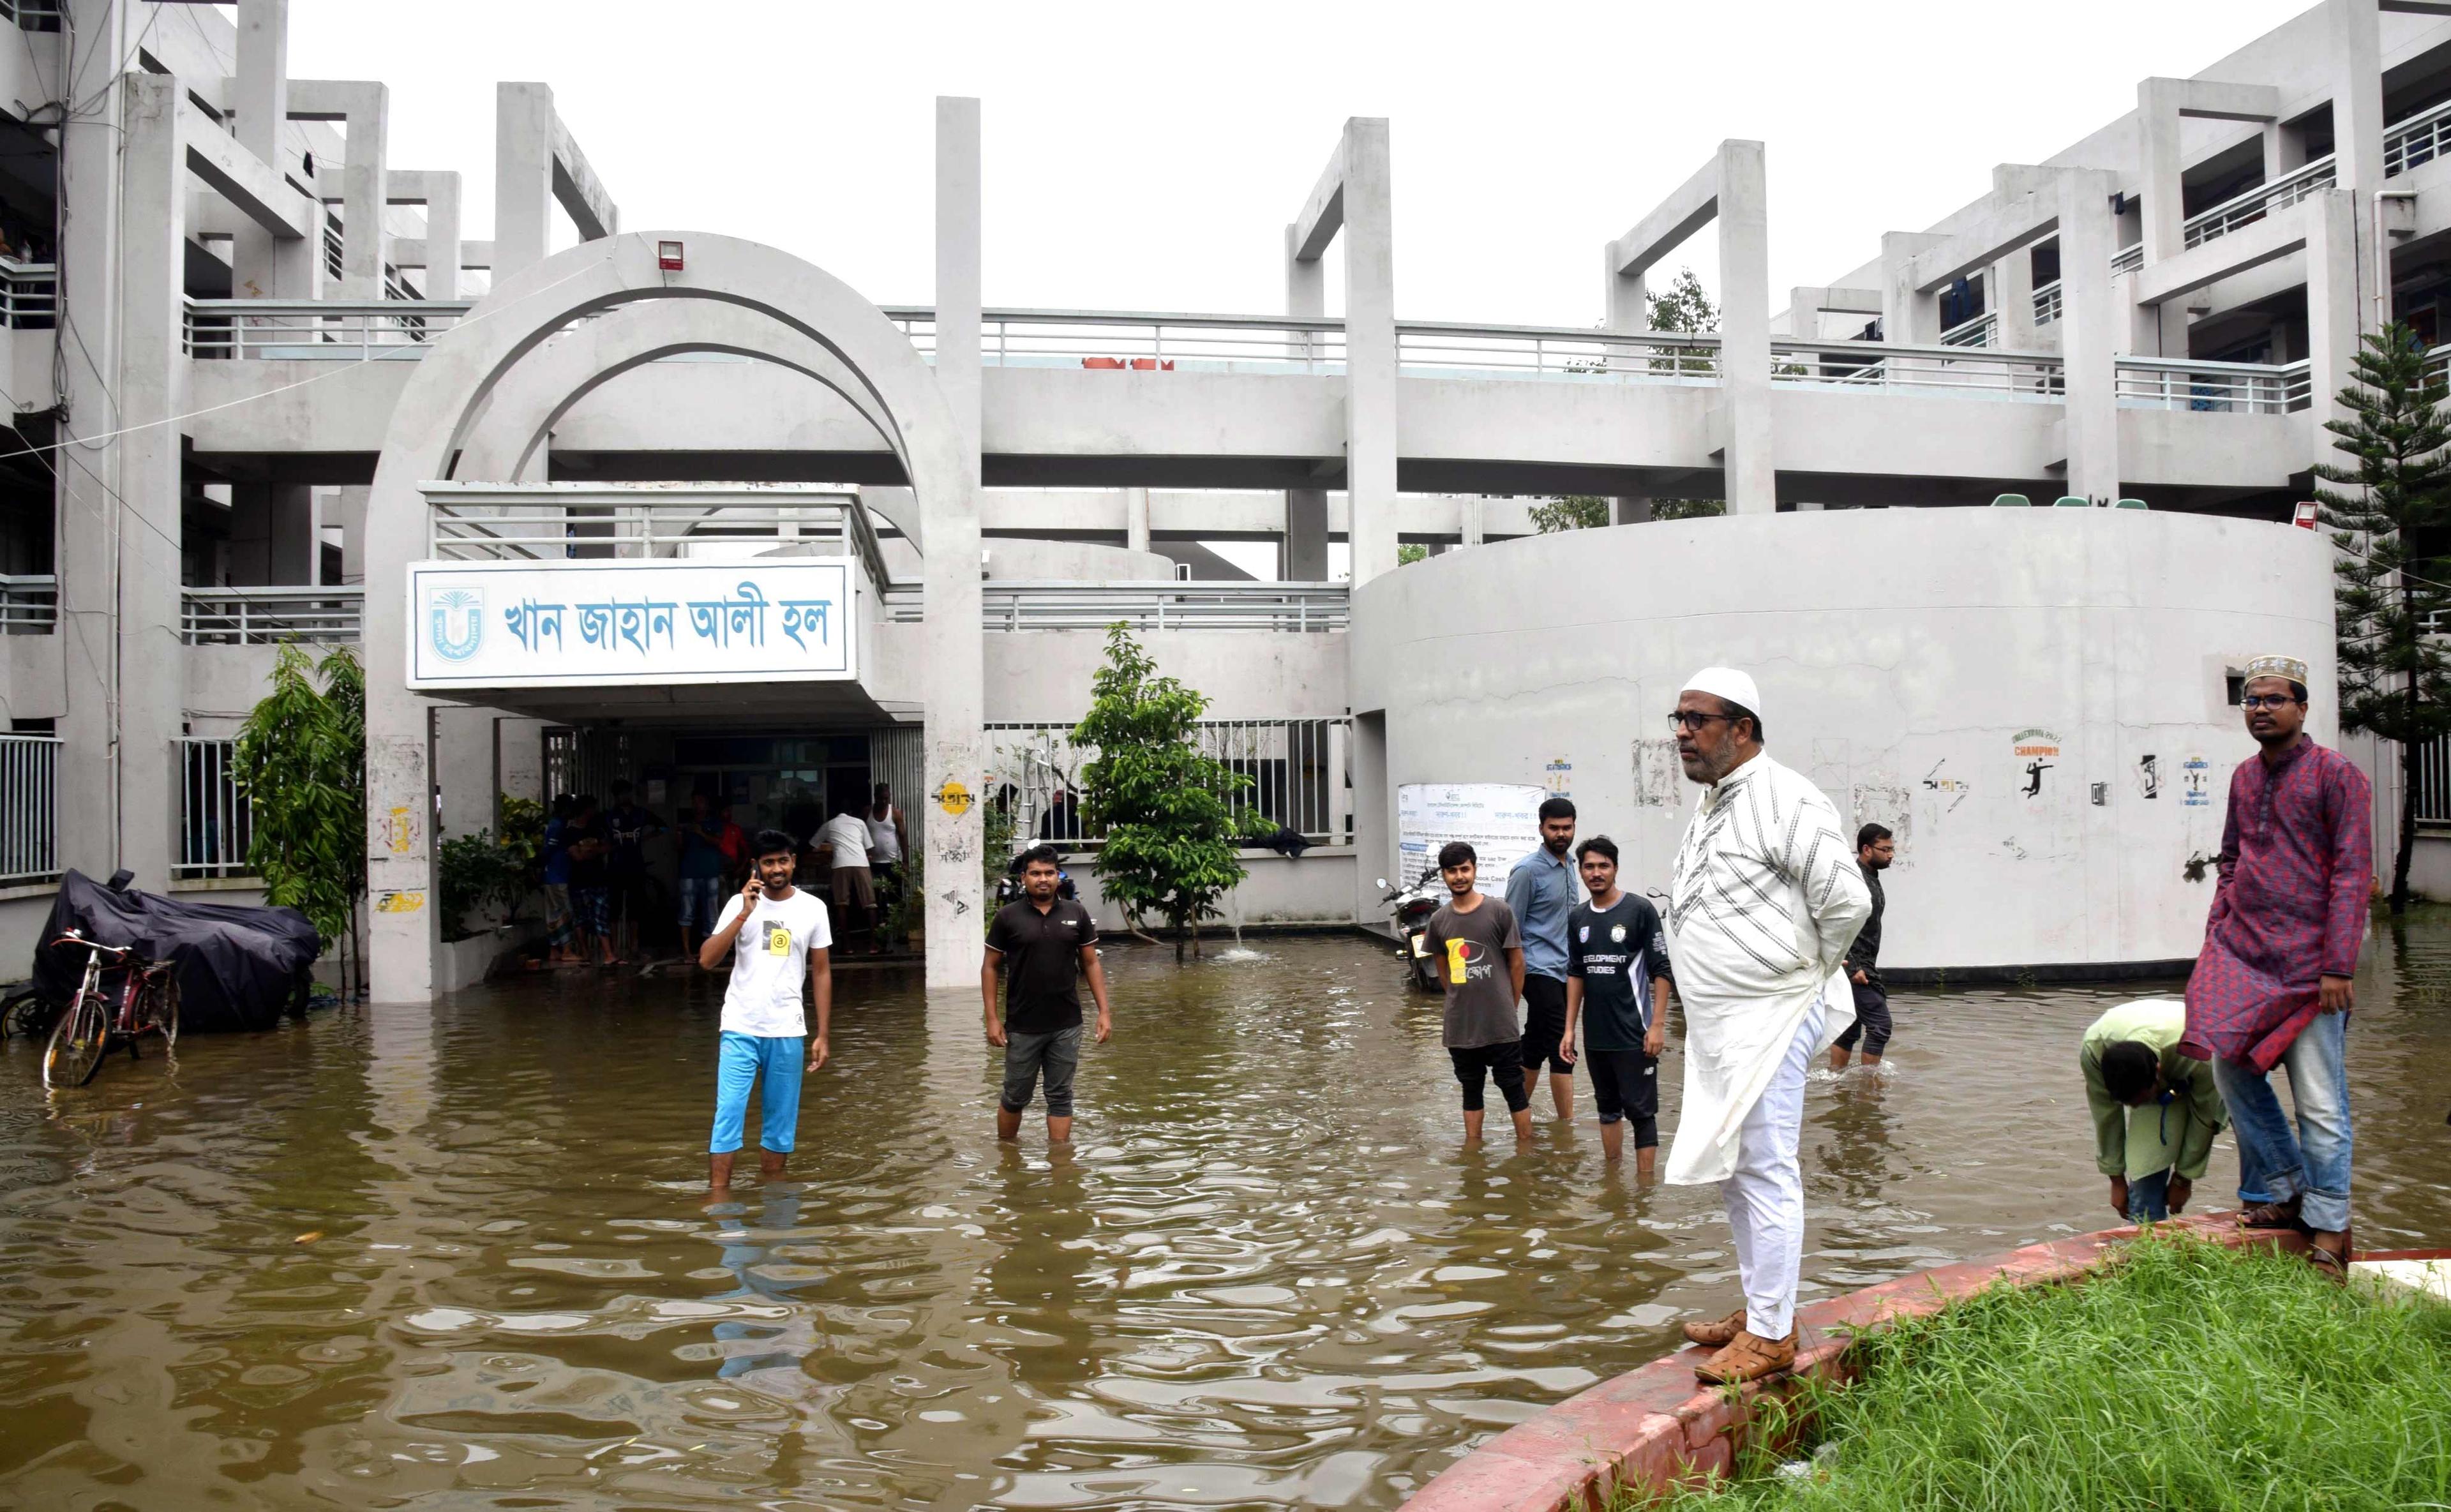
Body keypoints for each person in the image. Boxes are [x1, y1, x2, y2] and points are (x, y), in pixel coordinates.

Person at [1662, 667, 1871, 1385]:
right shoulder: (1717, 801)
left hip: (1773, 1012)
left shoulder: (1787, 796)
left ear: (1744, 728)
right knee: (1738, 1165)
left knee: (1768, 1164)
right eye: (1678, 719)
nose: (1683, 732)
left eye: (1699, 719)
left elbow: (1846, 900)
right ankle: (1759, 1308)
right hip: (1725, 1024)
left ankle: (1775, 1333)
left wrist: (1806, 972)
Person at [2182, 653, 2371, 1275]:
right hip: (2247, 956)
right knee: (2231, 1068)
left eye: (2273, 698)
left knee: (2319, 1102)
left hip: (2314, 966)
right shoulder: (2242, 777)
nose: (2260, 708)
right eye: (2252, 700)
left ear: (2302, 706)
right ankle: (2289, 1189)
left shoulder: (2337, 774)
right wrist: (2220, 927)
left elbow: (2351, 871)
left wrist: (2339, 963)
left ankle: (2330, 1228)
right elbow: (2232, 856)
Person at [698, 828, 832, 1191]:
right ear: (757, 866)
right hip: (740, 1026)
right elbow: (707, 961)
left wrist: (822, 1034)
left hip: (788, 1029)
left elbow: (820, 972)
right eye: (769, 862)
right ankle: (718, 1198)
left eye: (783, 861)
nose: (777, 869)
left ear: (793, 863)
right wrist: (744, 912)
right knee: (727, 1115)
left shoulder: (813, 909)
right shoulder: (738, 904)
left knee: (780, 1125)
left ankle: (775, 1204)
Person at [982, 845, 1114, 1142]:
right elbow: (990, 967)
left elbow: (1090, 962)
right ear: (1023, 878)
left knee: (1061, 1096)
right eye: (1036, 873)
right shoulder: (1007, 917)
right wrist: (992, 1019)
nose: (1043, 879)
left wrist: (1104, 1012)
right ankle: (1007, 1157)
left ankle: (1061, 1167)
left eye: (1050, 873)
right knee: (1015, 1096)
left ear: (1058, 876)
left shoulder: (1076, 913)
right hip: (1023, 1025)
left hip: (1067, 1024)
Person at [1558, 835, 1673, 1174]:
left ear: (1615, 869)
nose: (1596, 873)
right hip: (1597, 1036)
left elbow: (1662, 970)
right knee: (1607, 1109)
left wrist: (1658, 1025)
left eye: (1603, 866)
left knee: (1642, 1113)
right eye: (1589, 866)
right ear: (1580, 871)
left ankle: (1644, 1190)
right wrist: (1569, 1030)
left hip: (1635, 1034)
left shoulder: (1639, 910)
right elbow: (1576, 972)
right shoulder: (1578, 917)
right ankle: (1613, 1183)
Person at [2081, 998, 2227, 1224]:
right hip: (2160, 1073)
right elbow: (2106, 1117)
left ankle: (2261, 1202)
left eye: (2140, 1100)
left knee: (2253, 1125)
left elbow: (2204, 1115)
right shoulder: (2093, 1051)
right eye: (2128, 1103)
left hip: (2212, 1048)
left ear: (2158, 1073)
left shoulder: (2199, 1048)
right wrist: (2116, 1179)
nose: (2134, 1108)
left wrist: (2183, 1178)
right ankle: (2147, 1238)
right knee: (2144, 1176)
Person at [1423, 840, 1530, 1144]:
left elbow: (1517, 964)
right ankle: (1473, 1151)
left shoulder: (1499, 911)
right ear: (1444, 875)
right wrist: (1459, 999)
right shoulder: (1439, 921)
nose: (1459, 877)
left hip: (1501, 1023)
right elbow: (1443, 970)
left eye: (1465, 869)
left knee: (1513, 1087)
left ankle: (1526, 1147)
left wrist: (1510, 1005)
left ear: (1475, 870)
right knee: (1471, 1090)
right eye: (1452, 871)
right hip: (1461, 1025)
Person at [1505, 796, 1581, 1121]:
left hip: (1567, 970)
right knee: (1563, 1044)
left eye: (1567, 828)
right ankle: (1567, 1130)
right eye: (1554, 828)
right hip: (1537, 970)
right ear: (1541, 829)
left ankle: (1516, 1114)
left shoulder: (1571, 867)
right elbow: (1510, 932)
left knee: (1535, 1043)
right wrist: (1512, 984)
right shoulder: (1526, 872)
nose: (1561, 834)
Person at [1829, 823, 1895, 1072]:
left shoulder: (1871, 878)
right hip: (1856, 969)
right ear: (1866, 849)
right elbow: (1837, 923)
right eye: (1885, 849)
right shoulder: (1854, 880)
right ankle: (1869, 1089)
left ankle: (1836, 1082)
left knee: (1850, 1027)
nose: (1890, 855)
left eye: (1892, 849)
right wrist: (1852, 967)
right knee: (1880, 1026)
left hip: (1862, 966)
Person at [605, 780, 664, 965]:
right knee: (614, 911)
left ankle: (634, 948)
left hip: (636, 867)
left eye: (628, 793)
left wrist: (646, 837)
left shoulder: (641, 814)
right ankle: (614, 950)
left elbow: (663, 827)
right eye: (622, 794)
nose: (626, 797)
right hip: (615, 868)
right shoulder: (609, 816)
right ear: (616, 797)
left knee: (635, 910)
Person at [816, 800, 880, 954]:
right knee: (870, 903)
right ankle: (873, 945)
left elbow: (814, 844)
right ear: (851, 812)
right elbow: (870, 848)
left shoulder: (829, 825)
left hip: (840, 864)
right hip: (861, 862)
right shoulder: (859, 823)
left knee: (841, 904)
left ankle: (847, 946)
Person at [675, 791, 731, 960]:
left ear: (706, 804)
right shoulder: (686, 823)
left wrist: (700, 832)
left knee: (711, 914)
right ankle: (687, 952)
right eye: (694, 802)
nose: (697, 805)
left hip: (710, 872)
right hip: (689, 873)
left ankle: (710, 952)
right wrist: (679, 834)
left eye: (700, 801)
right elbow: (678, 848)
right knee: (687, 912)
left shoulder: (715, 822)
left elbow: (718, 842)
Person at [563, 795, 613, 967]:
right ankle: (586, 952)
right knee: (581, 918)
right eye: (592, 808)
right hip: (579, 881)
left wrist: (591, 851)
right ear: (586, 810)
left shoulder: (597, 829)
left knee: (601, 917)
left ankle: (608, 954)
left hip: (598, 880)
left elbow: (607, 847)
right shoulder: (570, 832)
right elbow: (577, 856)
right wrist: (594, 852)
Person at [541, 795, 578, 966]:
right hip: (558, 876)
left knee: (553, 914)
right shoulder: (558, 826)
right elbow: (549, 849)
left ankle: (554, 950)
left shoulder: (554, 824)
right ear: (565, 809)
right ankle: (567, 950)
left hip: (552, 875)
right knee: (565, 912)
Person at [866, 782, 908, 930]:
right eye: (880, 798)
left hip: (893, 862)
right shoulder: (867, 812)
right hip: (874, 863)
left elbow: (903, 837)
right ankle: (879, 927)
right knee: (875, 896)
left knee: (896, 896)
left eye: (886, 798)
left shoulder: (895, 813)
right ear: (875, 797)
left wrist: (905, 862)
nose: (884, 801)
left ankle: (899, 928)